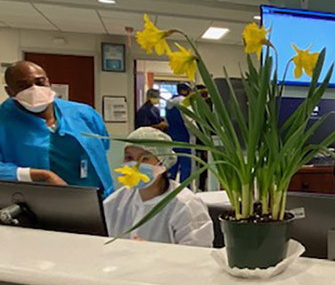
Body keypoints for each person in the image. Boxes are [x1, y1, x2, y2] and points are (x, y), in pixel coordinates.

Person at [0, 60, 113, 197]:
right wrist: (41, 175)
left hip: (96, 197)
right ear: (9, 91)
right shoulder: (4, 121)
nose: (34, 89)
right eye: (23, 85)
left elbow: (104, 145)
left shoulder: (83, 113)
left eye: (40, 82)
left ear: (48, 81)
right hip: (40, 204)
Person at [104, 127, 213, 247]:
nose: (135, 165)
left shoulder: (185, 206)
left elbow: (198, 256)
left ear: (162, 164)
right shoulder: (115, 202)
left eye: (144, 159)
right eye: (129, 157)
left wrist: (155, 253)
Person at [166, 82, 193, 183]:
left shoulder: (169, 103)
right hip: (184, 138)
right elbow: (190, 121)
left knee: (172, 164)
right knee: (186, 167)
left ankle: (169, 188)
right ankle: (184, 189)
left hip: (172, 138)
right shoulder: (183, 103)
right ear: (185, 91)